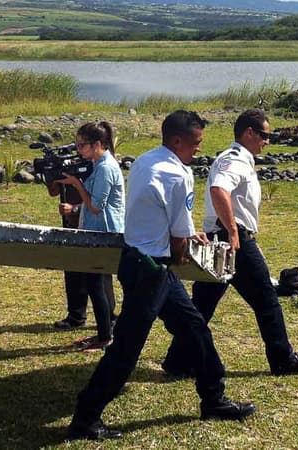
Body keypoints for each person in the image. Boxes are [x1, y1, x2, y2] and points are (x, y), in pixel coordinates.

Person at [68, 110, 255, 441]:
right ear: (178, 141)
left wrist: (182, 234)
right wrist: (186, 247)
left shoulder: (145, 160)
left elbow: (162, 217)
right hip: (151, 269)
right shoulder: (177, 175)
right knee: (126, 347)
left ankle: (213, 397)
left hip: (139, 261)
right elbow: (178, 242)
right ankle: (85, 417)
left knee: (194, 327)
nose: (200, 148)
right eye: (196, 142)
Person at [162, 109, 298, 378]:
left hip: (225, 237)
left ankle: (178, 360)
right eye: (264, 135)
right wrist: (233, 231)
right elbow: (219, 189)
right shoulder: (234, 160)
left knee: (202, 304)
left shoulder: (241, 160)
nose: (267, 141)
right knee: (266, 299)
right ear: (249, 133)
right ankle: (283, 358)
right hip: (234, 240)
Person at [56, 121, 124, 351]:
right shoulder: (98, 164)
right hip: (95, 229)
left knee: (96, 285)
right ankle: (103, 333)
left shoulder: (106, 167)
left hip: (104, 231)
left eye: (82, 145)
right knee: (94, 284)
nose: (79, 150)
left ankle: (106, 336)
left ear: (97, 144)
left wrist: (76, 183)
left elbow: (96, 206)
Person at [47, 164, 117, 332]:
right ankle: (76, 316)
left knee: (99, 272)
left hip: (93, 223)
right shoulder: (68, 165)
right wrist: (53, 177)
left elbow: (100, 201)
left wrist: (75, 208)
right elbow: (54, 192)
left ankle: (109, 316)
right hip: (72, 224)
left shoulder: (98, 168)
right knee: (72, 268)